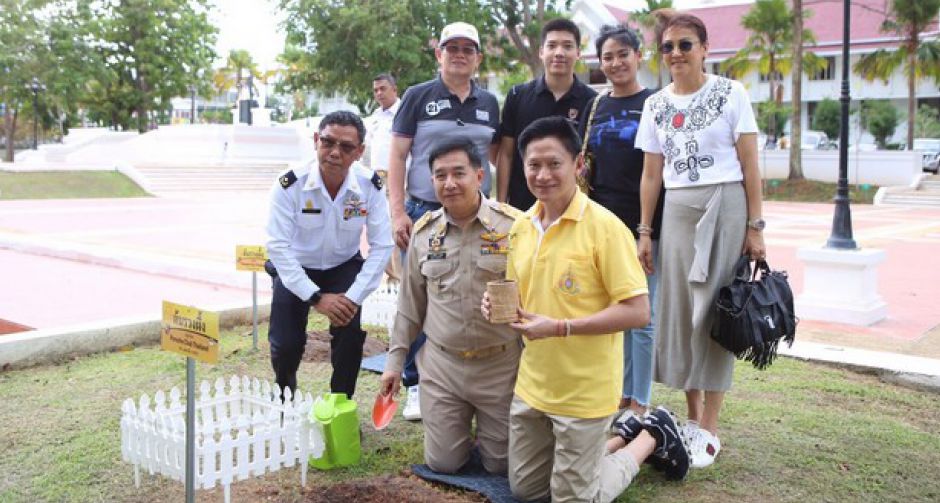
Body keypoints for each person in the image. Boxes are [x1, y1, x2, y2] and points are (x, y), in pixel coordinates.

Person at [482, 117, 690, 502]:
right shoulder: (521, 227)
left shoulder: (606, 228)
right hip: (532, 387)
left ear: (578, 164)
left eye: (554, 164)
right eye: (533, 165)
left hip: (584, 394)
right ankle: (605, 450)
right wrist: (497, 305)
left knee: (575, 499)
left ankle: (650, 436)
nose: (543, 175)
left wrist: (561, 327)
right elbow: (523, 301)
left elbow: (638, 311)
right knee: (527, 492)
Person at [635, 9, 766, 469]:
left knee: (713, 311)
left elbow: (750, 164)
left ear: (705, 49)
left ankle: (710, 426)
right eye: (667, 46)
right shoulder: (655, 105)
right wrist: (645, 230)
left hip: (726, 205)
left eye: (685, 44)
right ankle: (691, 418)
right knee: (680, 313)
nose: (675, 54)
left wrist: (756, 226)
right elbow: (651, 174)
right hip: (677, 209)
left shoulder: (732, 93)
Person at [380, 137, 522, 475]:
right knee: (443, 463)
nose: (450, 183)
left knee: (500, 466)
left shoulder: (514, 227)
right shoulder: (424, 233)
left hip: (500, 366)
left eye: (458, 173)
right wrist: (394, 363)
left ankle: (489, 441)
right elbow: (409, 304)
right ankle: (460, 434)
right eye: (440, 175)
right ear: (431, 182)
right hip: (443, 367)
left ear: (478, 176)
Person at [387, 21, 501, 420]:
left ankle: (471, 381)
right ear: (439, 54)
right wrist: (398, 212)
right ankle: (416, 383)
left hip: (475, 214)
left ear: (478, 58)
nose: (459, 54)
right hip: (422, 211)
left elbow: (495, 157)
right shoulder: (418, 96)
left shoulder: (490, 102)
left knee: (467, 294)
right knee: (417, 298)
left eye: (468, 49)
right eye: (451, 48)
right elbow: (398, 155)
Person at [265, 111, 394, 399]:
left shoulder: (369, 186)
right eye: (328, 142)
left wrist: (353, 296)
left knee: (349, 338)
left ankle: (341, 405)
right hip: (296, 265)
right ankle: (286, 398)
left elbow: (382, 245)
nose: (335, 152)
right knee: (286, 344)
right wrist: (316, 297)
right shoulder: (290, 184)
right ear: (315, 141)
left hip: (343, 264)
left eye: (347, 147)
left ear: (360, 152)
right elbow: (278, 246)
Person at [578, 24, 663, 436]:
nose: (615, 64)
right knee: (612, 313)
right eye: (607, 57)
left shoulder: (655, 103)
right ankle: (619, 395)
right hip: (601, 222)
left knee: (642, 319)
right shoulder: (597, 106)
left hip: (644, 223)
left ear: (637, 56)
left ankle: (640, 401)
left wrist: (645, 229)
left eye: (622, 55)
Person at [497, 18, 597, 210]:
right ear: (542, 51)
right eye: (552, 46)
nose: (559, 53)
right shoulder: (518, 96)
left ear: (578, 53)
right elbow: (506, 155)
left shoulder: (592, 101)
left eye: (567, 46)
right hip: (522, 207)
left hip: (572, 209)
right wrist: (501, 205)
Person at [364, 73, 404, 282]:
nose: (379, 93)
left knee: (396, 228)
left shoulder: (403, 113)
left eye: (383, 88)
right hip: (376, 179)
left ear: (394, 90)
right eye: (376, 90)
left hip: (396, 179)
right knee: (378, 227)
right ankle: (389, 275)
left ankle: (400, 276)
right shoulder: (375, 117)